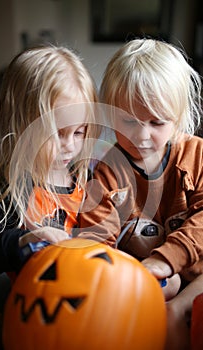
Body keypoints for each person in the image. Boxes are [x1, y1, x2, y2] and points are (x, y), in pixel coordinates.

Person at [0, 45, 99, 349]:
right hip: (36, 315)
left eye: (80, 132)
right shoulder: (5, 187)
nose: (70, 146)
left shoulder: (89, 180)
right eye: (59, 132)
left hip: (95, 304)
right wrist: (21, 240)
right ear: (22, 124)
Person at [78, 38, 203, 348]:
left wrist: (165, 260)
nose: (141, 135)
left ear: (179, 115)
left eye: (156, 122)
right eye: (128, 121)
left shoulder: (196, 155)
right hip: (146, 282)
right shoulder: (106, 173)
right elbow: (97, 243)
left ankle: (177, 310)